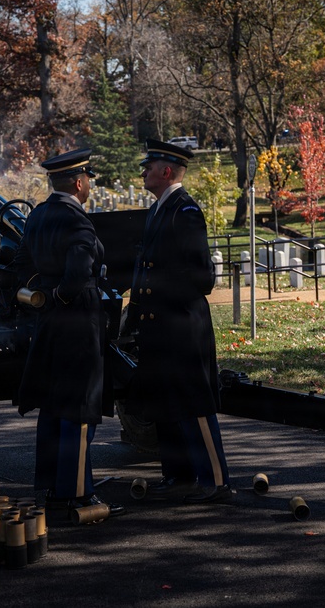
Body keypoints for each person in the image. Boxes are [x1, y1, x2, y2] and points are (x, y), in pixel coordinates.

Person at [13, 148, 125, 517]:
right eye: (88, 179)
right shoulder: (77, 220)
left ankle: (48, 486)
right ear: (79, 183)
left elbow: (20, 266)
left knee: (53, 405)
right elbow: (79, 273)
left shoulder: (39, 215)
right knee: (78, 408)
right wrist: (62, 295)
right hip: (78, 323)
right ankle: (76, 493)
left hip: (48, 322)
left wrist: (41, 297)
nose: (89, 184)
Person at [124, 138, 232, 504]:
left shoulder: (185, 212)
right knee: (166, 405)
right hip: (160, 327)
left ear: (166, 171)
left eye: (149, 166)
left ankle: (215, 480)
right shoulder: (159, 210)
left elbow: (202, 278)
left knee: (194, 404)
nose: (144, 171)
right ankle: (180, 475)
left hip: (182, 327)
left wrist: (158, 291)